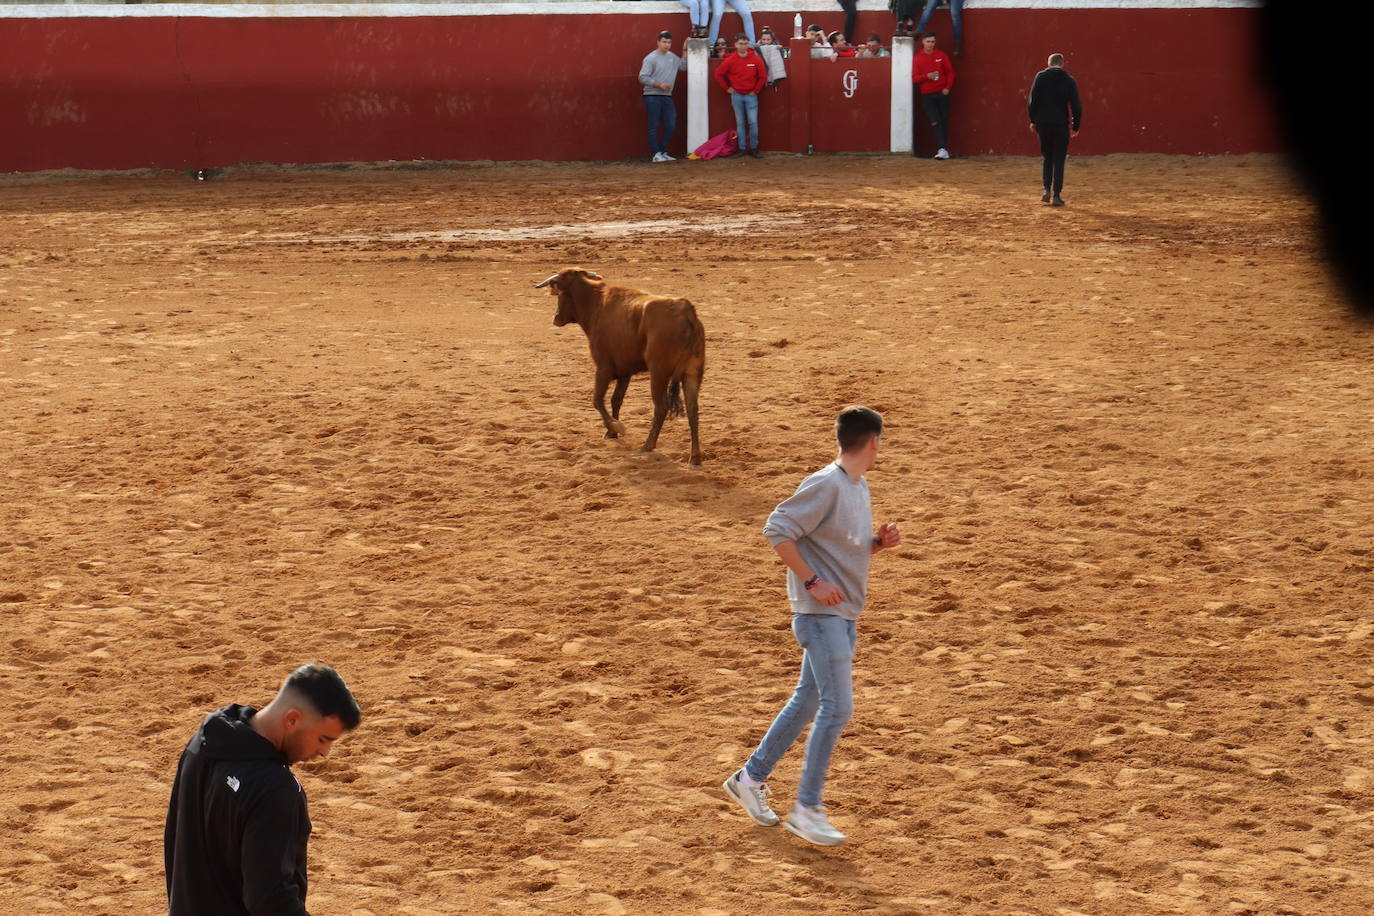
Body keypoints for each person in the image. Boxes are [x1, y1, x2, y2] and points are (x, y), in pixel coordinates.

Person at [722, 406, 902, 846]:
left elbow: (839, 548)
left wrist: (876, 544)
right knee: (838, 707)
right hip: (821, 618)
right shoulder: (826, 484)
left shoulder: (858, 487)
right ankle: (807, 807)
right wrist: (814, 581)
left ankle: (750, 777)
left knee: (808, 700)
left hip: (841, 615)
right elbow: (777, 529)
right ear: (874, 441)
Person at [165, 663, 362, 915]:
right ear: (292, 719)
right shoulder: (275, 789)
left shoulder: (202, 743)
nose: (324, 752)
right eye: (323, 739)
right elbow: (270, 900)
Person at [1027, 52, 1083, 207]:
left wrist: (1033, 120)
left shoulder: (1040, 77)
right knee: (1059, 159)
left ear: (1049, 63)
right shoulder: (1069, 80)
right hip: (1060, 124)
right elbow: (1076, 106)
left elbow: (1032, 101)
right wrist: (1075, 126)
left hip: (1043, 123)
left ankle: (1046, 190)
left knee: (1047, 157)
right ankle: (1057, 195)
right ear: (1062, 64)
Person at [639, 30, 688, 163]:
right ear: (658, 42)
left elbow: (683, 66)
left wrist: (684, 50)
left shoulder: (672, 56)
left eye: (669, 42)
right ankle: (656, 154)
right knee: (653, 126)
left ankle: (661, 151)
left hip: (666, 96)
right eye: (664, 42)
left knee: (671, 125)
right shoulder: (651, 58)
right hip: (652, 95)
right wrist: (659, 84)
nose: (667, 45)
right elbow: (642, 77)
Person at [715, 33, 766, 158]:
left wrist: (756, 90)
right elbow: (718, 74)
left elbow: (763, 77)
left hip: (750, 95)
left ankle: (753, 148)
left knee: (753, 122)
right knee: (740, 123)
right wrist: (727, 88)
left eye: (745, 44)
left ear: (747, 44)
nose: (743, 46)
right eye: (741, 44)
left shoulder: (755, 59)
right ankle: (742, 148)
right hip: (737, 95)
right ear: (736, 45)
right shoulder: (731, 60)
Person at [913, 32, 954, 159]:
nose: (930, 44)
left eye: (932, 42)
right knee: (935, 121)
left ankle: (943, 148)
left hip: (941, 92)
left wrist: (947, 88)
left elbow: (950, 72)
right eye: (928, 41)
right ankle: (942, 148)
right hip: (927, 95)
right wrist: (927, 76)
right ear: (923, 42)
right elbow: (915, 78)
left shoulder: (941, 55)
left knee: (943, 120)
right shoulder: (917, 58)